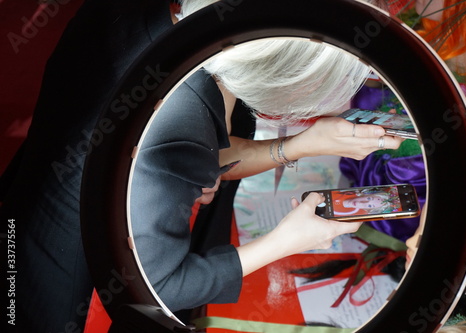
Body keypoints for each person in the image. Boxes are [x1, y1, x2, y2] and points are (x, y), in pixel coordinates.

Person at [0, 0, 403, 331]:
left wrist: (302, 144)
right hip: (56, 275)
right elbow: (160, 286)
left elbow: (202, 157)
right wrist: (289, 240)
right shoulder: (178, 118)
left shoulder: (177, 29)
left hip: (31, 188)